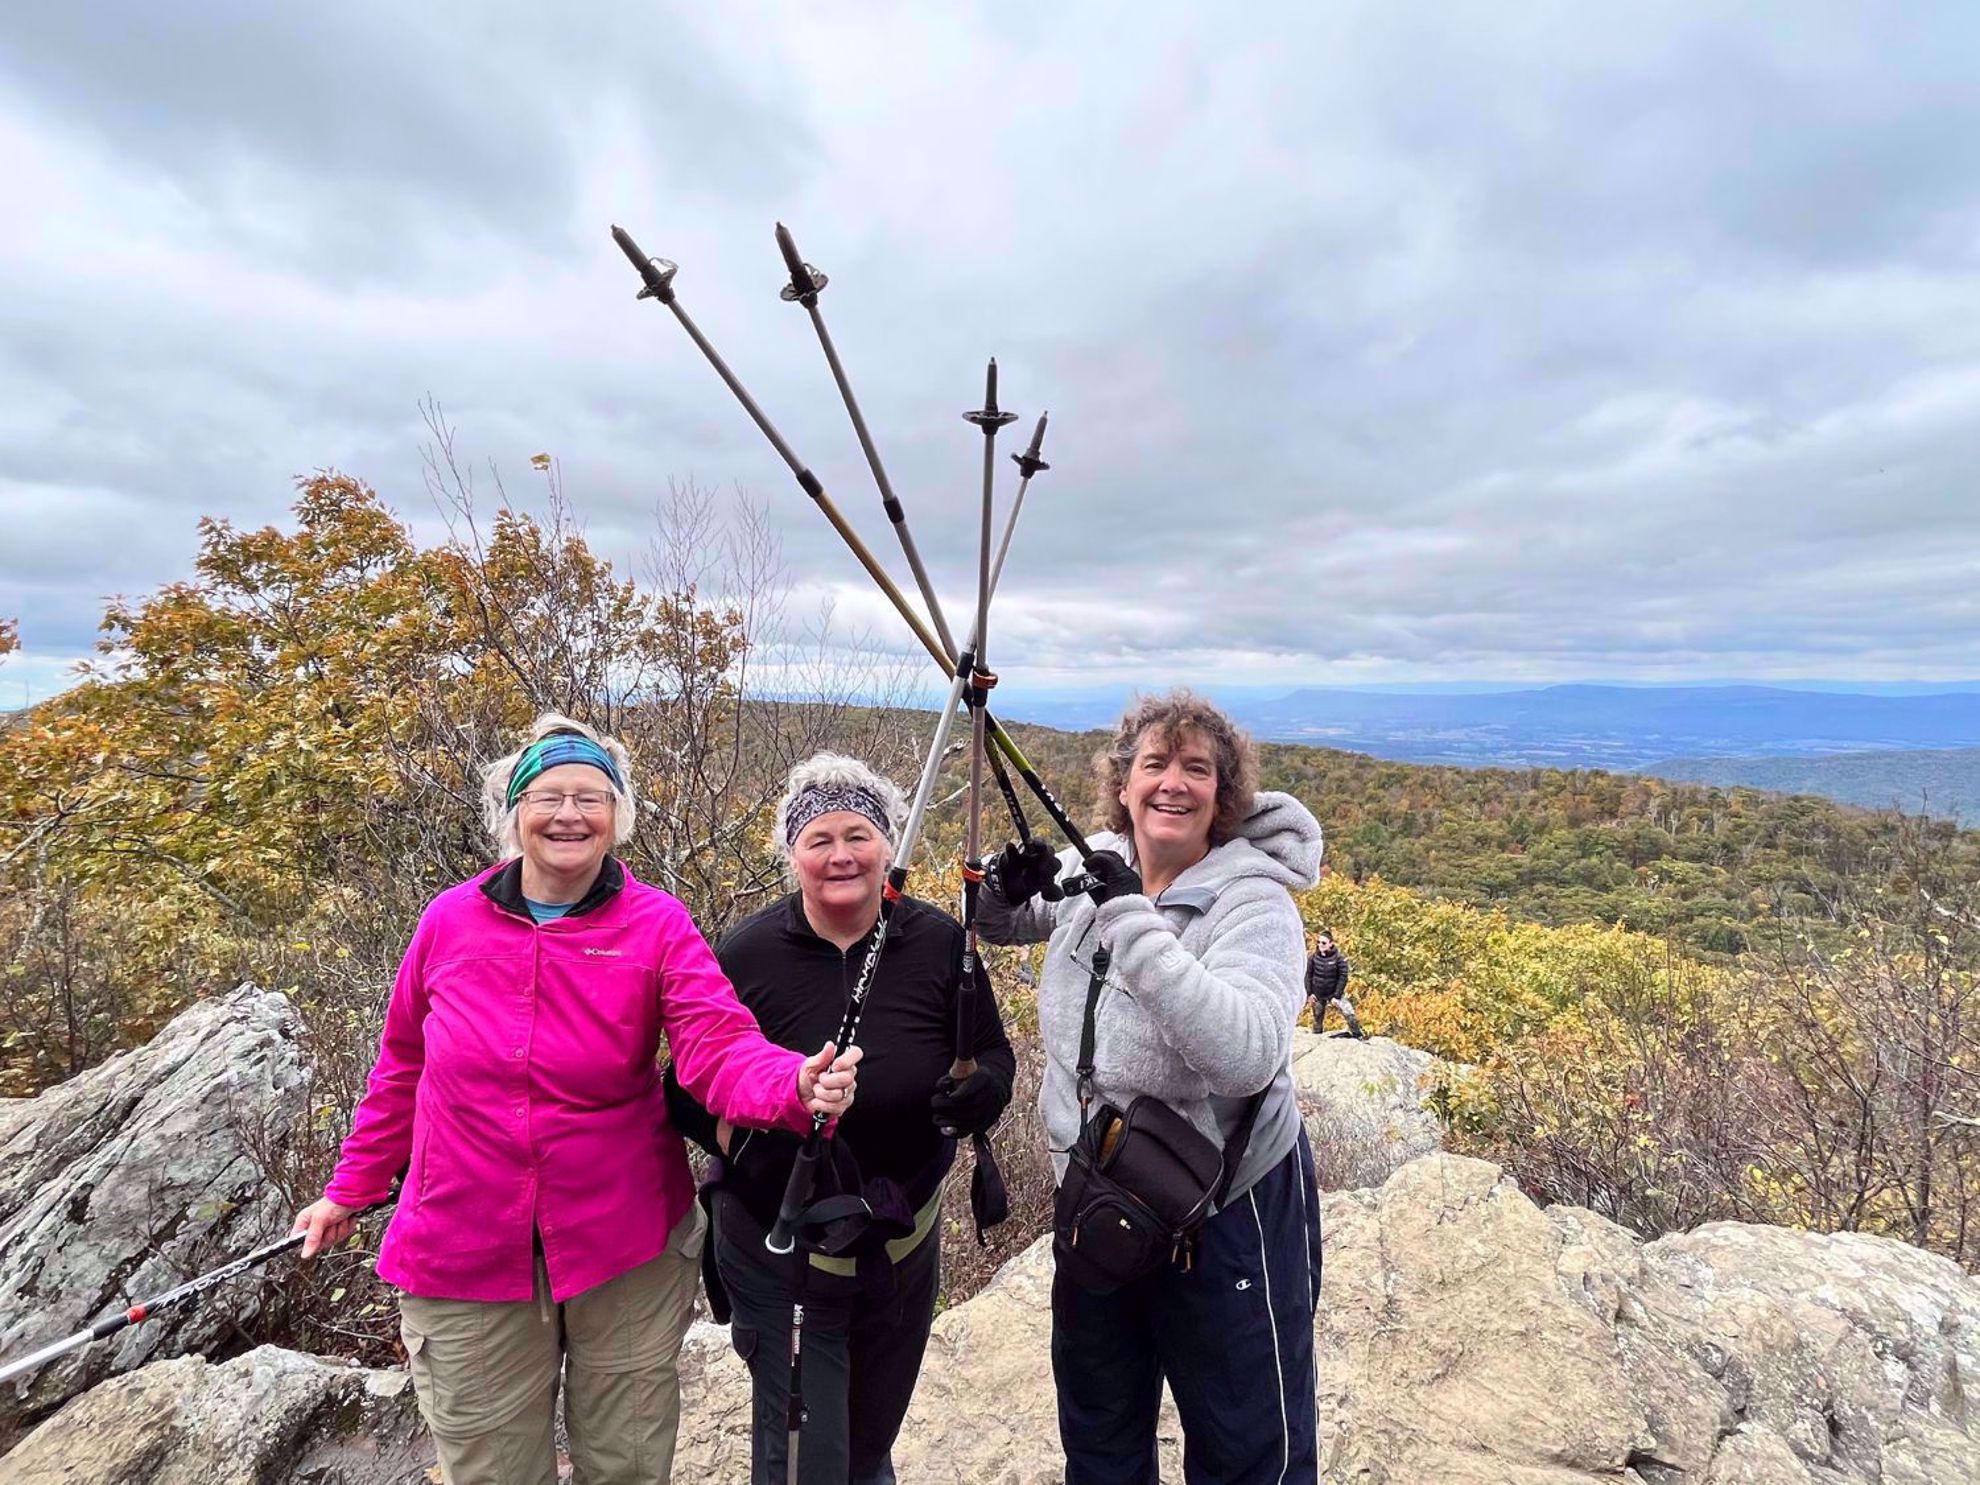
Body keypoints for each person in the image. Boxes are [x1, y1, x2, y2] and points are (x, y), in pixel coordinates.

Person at [290, 714, 861, 1485]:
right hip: (464, 1245)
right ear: (514, 811)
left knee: (624, 1466)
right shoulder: (448, 922)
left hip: (624, 1243)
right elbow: (401, 1069)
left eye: (591, 796)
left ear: (616, 816)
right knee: (493, 1471)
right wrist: (348, 1189)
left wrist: (791, 1084)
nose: (569, 813)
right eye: (549, 794)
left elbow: (716, 1044)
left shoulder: (656, 925)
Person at [981, 690, 1325, 1485]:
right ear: (1124, 782)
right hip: (1099, 1194)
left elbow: (1244, 1055)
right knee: (1100, 1430)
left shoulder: (1254, 901)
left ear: (1223, 794)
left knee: (1248, 1446)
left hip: (1225, 1209)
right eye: (1155, 764)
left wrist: (1132, 920)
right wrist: (1006, 886)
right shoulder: (1098, 858)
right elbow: (999, 925)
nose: (1174, 782)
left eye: (1197, 768)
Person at [666, 752, 1015, 1485]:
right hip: (781, 1247)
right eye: (818, 838)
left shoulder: (939, 943)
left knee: (866, 1444)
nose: (840, 855)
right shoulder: (748, 952)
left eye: (858, 833)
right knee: (800, 1457)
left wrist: (983, 1089)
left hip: (901, 1244)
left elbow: (989, 1051)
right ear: (791, 850)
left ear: (887, 843)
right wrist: (749, 1140)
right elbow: (684, 1087)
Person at [1305, 929, 1366, 1039]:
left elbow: (1343, 977)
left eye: (1323, 943)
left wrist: (1336, 996)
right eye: (1318, 942)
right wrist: (1309, 993)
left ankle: (1358, 1036)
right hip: (1318, 994)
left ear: (1331, 944)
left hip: (1334, 993)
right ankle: (1316, 1039)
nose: (1320, 945)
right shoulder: (1313, 958)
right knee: (1318, 1017)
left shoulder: (1339, 959)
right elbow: (1308, 976)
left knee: (1348, 1012)